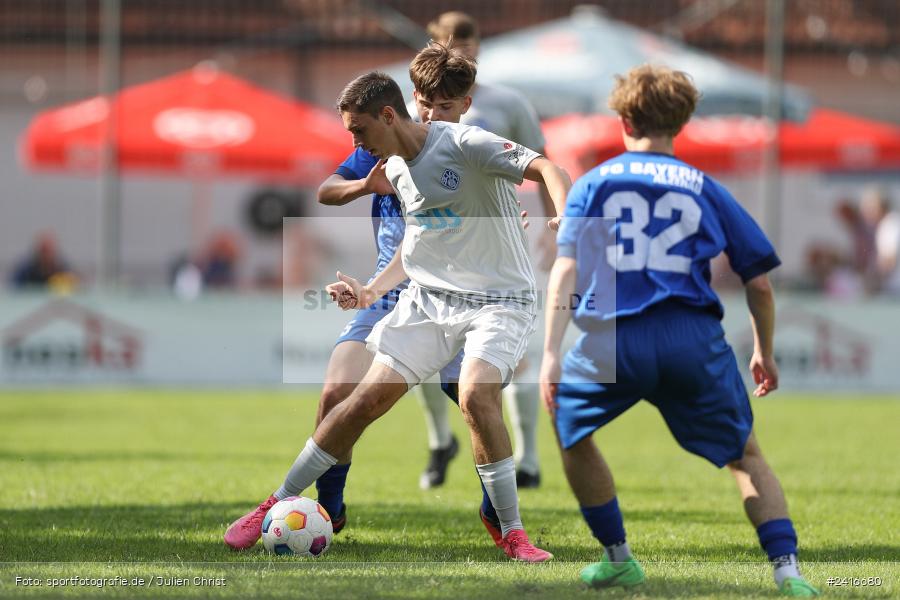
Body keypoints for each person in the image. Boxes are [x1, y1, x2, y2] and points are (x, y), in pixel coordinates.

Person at [226, 50, 571, 562]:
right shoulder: (393, 170)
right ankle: (276, 501)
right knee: (361, 402)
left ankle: (514, 534)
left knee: (476, 395)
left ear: (389, 116)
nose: (355, 143)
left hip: (497, 301)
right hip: (429, 301)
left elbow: (546, 165)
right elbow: (418, 245)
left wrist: (564, 215)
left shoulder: (463, 141)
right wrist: (368, 292)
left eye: (359, 131)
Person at [540, 65, 819, 596]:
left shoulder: (594, 183)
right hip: (691, 340)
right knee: (746, 456)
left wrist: (552, 351)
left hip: (611, 340)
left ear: (623, 117)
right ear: (683, 121)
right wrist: (764, 350)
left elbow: (566, 269)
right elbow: (757, 283)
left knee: (571, 431)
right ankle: (789, 575)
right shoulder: (707, 188)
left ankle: (618, 557)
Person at [415, 10, 552, 491]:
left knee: (508, 357)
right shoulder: (421, 104)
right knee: (423, 354)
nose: (460, 49)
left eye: (466, 42)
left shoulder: (507, 102)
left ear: (479, 45)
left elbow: (541, 164)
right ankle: (439, 443)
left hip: (498, 244)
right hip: (439, 244)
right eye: (448, 41)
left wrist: (553, 230)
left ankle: (529, 457)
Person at [10, 232, 77, 291]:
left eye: (49, 251)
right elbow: (14, 285)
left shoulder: (62, 268)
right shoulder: (26, 270)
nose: (46, 255)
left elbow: (75, 283)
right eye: (44, 251)